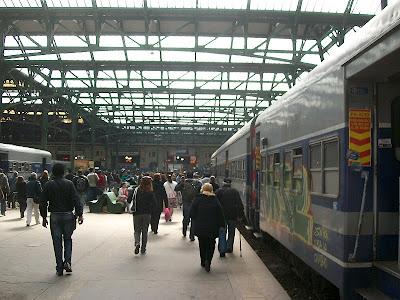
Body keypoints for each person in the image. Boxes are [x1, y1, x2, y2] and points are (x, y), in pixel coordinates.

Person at [40, 163, 84, 276]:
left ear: (53, 172)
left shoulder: (49, 185)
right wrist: (79, 214)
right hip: (68, 215)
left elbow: (43, 201)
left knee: (57, 242)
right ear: (63, 172)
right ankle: (68, 262)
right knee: (68, 239)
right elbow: (76, 199)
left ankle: (59, 267)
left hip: (54, 216)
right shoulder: (69, 184)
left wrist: (44, 217)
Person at [190, 183, 225, 272]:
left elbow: (191, 213)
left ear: (202, 189)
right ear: (211, 190)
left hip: (200, 227)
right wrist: (222, 225)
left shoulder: (197, 199)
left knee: (202, 244)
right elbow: (220, 214)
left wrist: (195, 218)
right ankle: (208, 261)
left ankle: (202, 261)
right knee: (211, 245)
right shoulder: (215, 200)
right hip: (212, 228)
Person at [215, 178, 245, 256]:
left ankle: (222, 250)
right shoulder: (234, 192)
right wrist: (241, 216)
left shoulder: (218, 191)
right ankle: (229, 247)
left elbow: (215, 204)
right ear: (230, 184)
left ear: (223, 183)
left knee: (222, 232)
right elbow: (239, 205)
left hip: (221, 216)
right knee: (231, 232)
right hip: (232, 216)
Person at [127, 176, 156, 255]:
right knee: (145, 231)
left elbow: (129, 200)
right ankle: (143, 248)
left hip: (136, 213)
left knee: (137, 230)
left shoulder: (135, 190)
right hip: (147, 214)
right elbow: (154, 204)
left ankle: (137, 243)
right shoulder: (150, 192)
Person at [175, 172, 202, 241]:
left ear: (186, 176)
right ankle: (192, 235)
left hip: (186, 202)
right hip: (194, 202)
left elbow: (176, 188)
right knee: (194, 219)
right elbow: (200, 190)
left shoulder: (183, 183)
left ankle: (184, 230)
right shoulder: (197, 183)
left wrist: (181, 182)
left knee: (186, 217)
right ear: (193, 176)